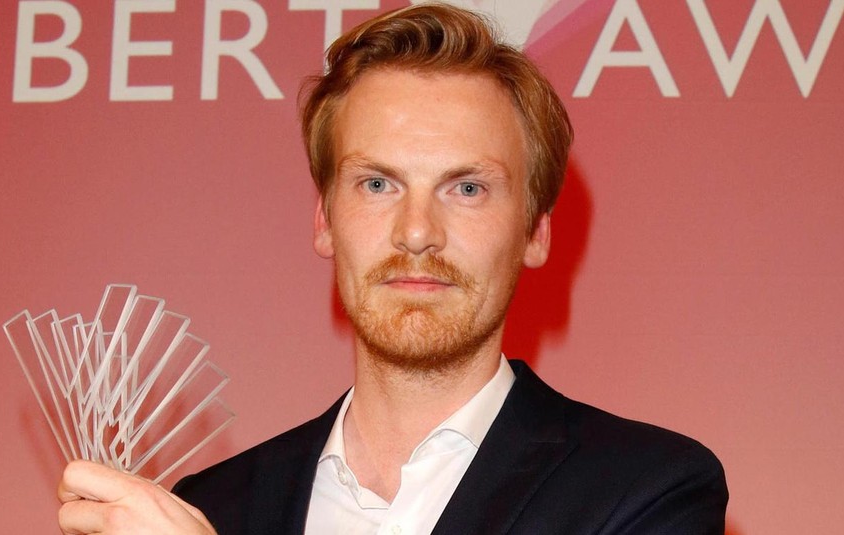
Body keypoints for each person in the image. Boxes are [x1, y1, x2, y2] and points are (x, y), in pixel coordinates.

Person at [57, 3, 728, 534]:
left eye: (465, 188)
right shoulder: (212, 506)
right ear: (325, 220)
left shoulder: (645, 489)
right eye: (377, 185)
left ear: (533, 231)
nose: (416, 233)